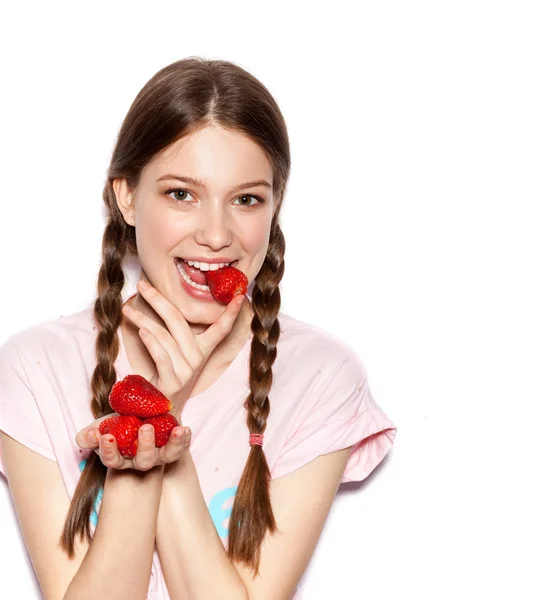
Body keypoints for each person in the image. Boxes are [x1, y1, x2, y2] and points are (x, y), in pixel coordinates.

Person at [0, 57, 397, 600]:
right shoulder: (33, 369)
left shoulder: (321, 377)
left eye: (246, 199)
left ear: (275, 205)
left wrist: (164, 426)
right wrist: (148, 421)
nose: (216, 234)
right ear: (126, 197)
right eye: (182, 194)